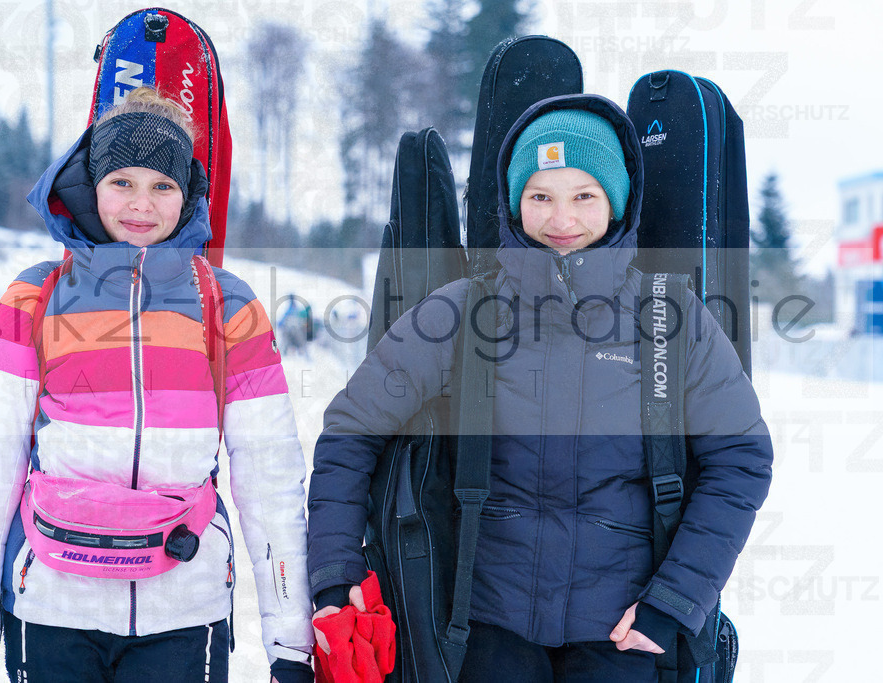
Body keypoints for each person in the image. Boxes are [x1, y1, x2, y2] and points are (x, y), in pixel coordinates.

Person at [306, 94, 772, 681]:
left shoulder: (670, 317)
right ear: (514, 203)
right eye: (540, 197)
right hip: (482, 626)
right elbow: (352, 428)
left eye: (584, 196)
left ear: (617, 203)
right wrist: (334, 570)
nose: (561, 221)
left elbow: (742, 458)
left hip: (626, 633)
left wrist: (674, 602)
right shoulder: (460, 311)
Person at [0, 87, 314, 683]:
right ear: (92, 185)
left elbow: (269, 477)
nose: (141, 204)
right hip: (53, 609)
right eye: (122, 182)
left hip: (184, 615)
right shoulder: (33, 298)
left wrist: (291, 645)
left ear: (187, 193)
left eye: (162, 186)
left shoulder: (226, 304)